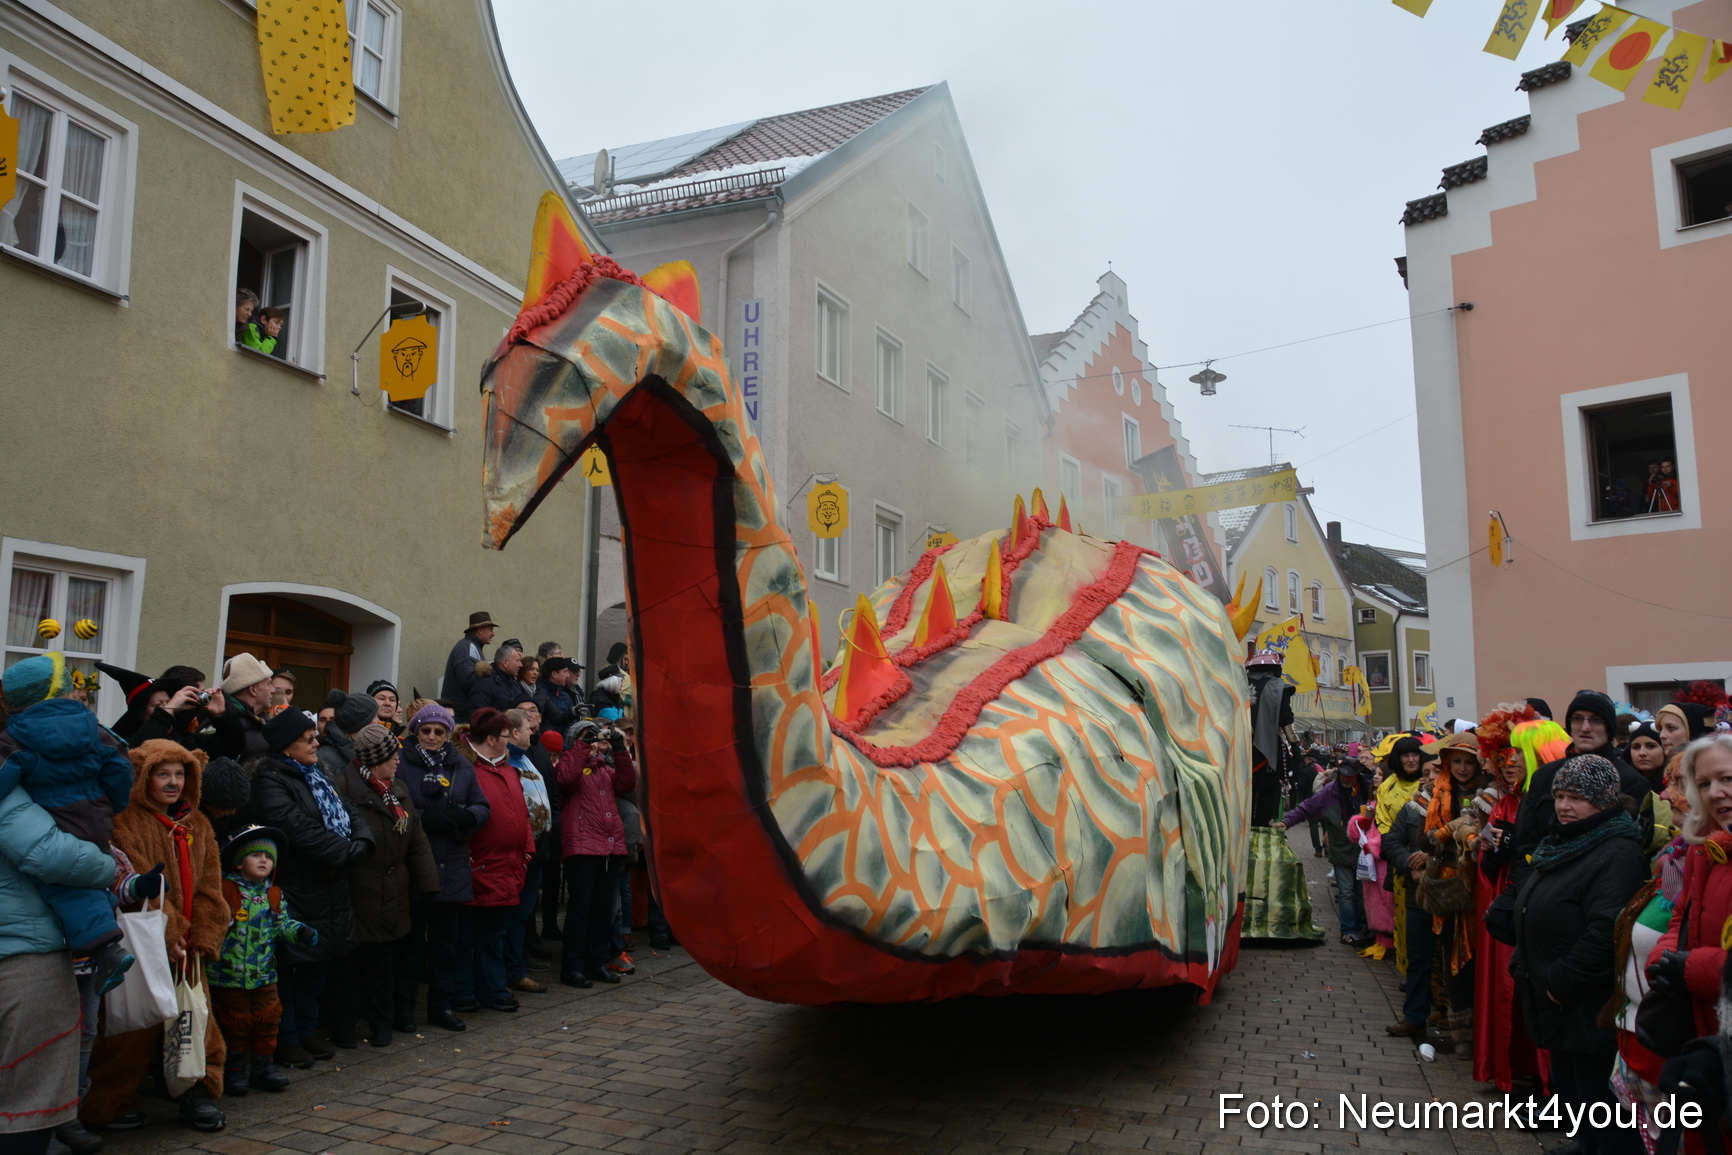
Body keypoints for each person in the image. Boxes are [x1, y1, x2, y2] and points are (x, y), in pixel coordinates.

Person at [1486, 755, 1650, 1155]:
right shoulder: (1563, 841)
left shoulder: (1615, 851)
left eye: (1576, 798)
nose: (1563, 806)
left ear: (1604, 801)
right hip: (1558, 1004)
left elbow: (1606, 931)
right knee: (1578, 1099)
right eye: (1559, 796)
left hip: (1585, 1005)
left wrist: (1556, 983)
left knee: (1602, 1107)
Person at [85, 741, 228, 1134]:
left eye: (180, 775)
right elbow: (135, 884)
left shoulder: (198, 825)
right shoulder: (125, 822)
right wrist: (169, 929)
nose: (172, 783)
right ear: (143, 776)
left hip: (188, 948)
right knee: (132, 1026)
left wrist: (202, 933)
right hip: (144, 939)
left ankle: (196, 1090)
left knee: (193, 1019)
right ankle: (109, 1100)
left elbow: (210, 885)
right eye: (162, 774)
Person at [0, 743, 117, 1155]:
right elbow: (51, 855)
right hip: (21, 951)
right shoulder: (8, 782)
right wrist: (108, 866)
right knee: (30, 1097)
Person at [0, 654, 138, 992]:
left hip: (56, 817)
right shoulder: (93, 728)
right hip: (96, 814)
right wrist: (112, 804)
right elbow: (121, 767)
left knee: (61, 886)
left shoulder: (15, 737)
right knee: (83, 880)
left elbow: (5, 773)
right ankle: (106, 949)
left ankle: (103, 947)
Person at [239, 709, 368, 1069]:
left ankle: (308, 1030)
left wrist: (362, 840)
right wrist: (347, 852)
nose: (316, 743)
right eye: (308, 738)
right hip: (297, 887)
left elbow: (349, 810)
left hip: (329, 886)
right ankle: (287, 1038)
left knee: (317, 966)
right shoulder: (269, 782)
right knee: (293, 968)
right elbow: (297, 829)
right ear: (286, 746)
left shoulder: (318, 773)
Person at [328, 725, 437, 1048]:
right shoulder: (344, 788)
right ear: (375, 760)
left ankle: (381, 1024)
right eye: (392, 756)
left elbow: (417, 841)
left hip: (393, 892)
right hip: (357, 891)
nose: (398, 761)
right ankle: (344, 1028)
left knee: (383, 964)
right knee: (349, 967)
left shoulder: (397, 790)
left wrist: (429, 885)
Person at [395, 703, 489, 1033]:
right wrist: (424, 819)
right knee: (410, 949)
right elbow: (393, 804)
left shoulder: (461, 764)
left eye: (439, 731)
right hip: (415, 867)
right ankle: (403, 1009)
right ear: (415, 732)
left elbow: (482, 806)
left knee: (445, 947)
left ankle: (441, 1006)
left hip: (452, 866)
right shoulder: (401, 762)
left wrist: (466, 817)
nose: (432, 737)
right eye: (426, 731)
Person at [207, 825, 315, 1097]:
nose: (263, 860)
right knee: (234, 1023)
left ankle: (263, 1068)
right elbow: (212, 924)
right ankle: (234, 1071)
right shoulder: (226, 889)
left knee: (268, 1021)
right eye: (256, 855)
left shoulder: (273, 894)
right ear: (239, 862)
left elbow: (281, 925)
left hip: (264, 975)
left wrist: (299, 931)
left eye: (268, 857)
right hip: (230, 976)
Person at [1471, 704, 1545, 1093]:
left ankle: (1541, 1074)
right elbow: (1489, 864)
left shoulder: (1545, 799)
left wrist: (1515, 845)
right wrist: (1493, 848)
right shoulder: (1502, 802)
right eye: (1501, 756)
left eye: (1516, 754)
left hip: (1536, 902)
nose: (1509, 762)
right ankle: (1510, 1066)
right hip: (1506, 898)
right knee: (1506, 984)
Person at [1419, 730, 1493, 1061]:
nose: (1462, 768)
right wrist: (1449, 831)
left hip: (1484, 886)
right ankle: (1462, 1032)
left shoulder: (1491, 793)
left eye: (1469, 762)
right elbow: (1424, 840)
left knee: (1483, 961)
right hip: (1449, 890)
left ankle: (1486, 1033)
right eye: (1456, 762)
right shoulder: (1435, 794)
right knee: (1454, 961)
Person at [1515, 689, 1651, 868]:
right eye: (1578, 719)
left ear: (1609, 728)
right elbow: (1525, 842)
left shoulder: (1630, 779)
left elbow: (1634, 847)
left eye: (1595, 720)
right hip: (1541, 875)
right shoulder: (1545, 775)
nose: (1585, 727)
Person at [461, 709, 534, 1014]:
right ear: (491, 739)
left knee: (495, 932)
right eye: (505, 736)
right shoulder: (467, 770)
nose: (509, 741)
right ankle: (473, 991)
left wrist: (526, 851)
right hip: (479, 867)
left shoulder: (507, 770)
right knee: (472, 935)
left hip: (508, 865)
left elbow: (522, 815)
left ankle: (492, 988)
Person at [556, 720, 637, 987]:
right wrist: (582, 746)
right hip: (582, 848)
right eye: (585, 736)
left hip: (608, 848)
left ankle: (595, 963)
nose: (593, 740)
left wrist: (620, 750)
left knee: (602, 910)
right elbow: (567, 780)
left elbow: (627, 782)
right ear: (575, 741)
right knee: (580, 910)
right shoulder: (568, 762)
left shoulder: (604, 769)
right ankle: (572, 968)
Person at [1273, 759, 1372, 946]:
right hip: (1341, 849)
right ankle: (1348, 931)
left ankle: (1360, 928)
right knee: (1347, 892)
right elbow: (1306, 807)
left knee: (1360, 893)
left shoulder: (1368, 789)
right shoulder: (1330, 792)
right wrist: (1287, 821)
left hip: (1363, 851)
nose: (1346, 779)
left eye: (1350, 776)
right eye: (1343, 775)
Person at [1384, 752, 1440, 1040]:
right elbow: (1391, 842)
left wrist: (1431, 859)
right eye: (1426, 773)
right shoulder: (1412, 807)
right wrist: (1410, 864)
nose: (1430, 778)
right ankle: (1415, 1017)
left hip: (1448, 892)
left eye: (1436, 772)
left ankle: (1450, 1015)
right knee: (1418, 957)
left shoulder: (1459, 804)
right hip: (1416, 891)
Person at [502, 708, 552, 995]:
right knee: (515, 914)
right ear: (514, 732)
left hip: (536, 849)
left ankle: (517, 967)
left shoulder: (526, 757)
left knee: (524, 912)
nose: (533, 733)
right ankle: (512, 971)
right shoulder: (506, 760)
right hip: (519, 852)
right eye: (528, 729)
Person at [218, 653, 275, 760]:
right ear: (253, 689)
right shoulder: (221, 720)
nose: (273, 690)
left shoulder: (260, 721)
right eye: (268, 684)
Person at [444, 613, 498, 723]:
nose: (493, 634)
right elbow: (467, 678)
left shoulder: (472, 646)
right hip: (461, 714)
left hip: (461, 712)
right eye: (490, 630)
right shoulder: (468, 647)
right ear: (480, 630)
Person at [467, 643, 529, 719]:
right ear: (505, 662)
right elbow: (478, 717)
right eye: (517, 661)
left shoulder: (514, 683)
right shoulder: (484, 685)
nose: (521, 665)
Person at [535, 657, 582, 739]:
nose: (567, 675)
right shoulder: (539, 693)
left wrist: (564, 743)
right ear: (554, 674)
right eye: (565, 672)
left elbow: (570, 725)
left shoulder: (566, 696)